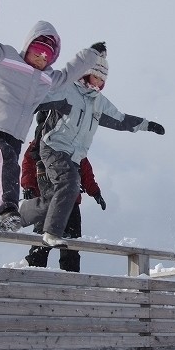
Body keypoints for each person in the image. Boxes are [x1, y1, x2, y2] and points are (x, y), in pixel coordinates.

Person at [0, 0, 104, 235]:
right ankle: (8, 214)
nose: (41, 59)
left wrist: (91, 54)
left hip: (15, 137)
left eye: (47, 56)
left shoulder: (48, 78)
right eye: (37, 51)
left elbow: (70, 73)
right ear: (28, 46)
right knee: (5, 158)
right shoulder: (5, 57)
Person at [18, 50, 165, 248]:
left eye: (101, 81)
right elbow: (41, 98)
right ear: (85, 74)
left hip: (74, 156)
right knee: (69, 184)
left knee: (58, 196)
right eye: (95, 77)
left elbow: (120, 119)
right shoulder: (68, 90)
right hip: (53, 147)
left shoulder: (99, 103)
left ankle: (21, 215)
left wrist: (148, 125)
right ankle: (51, 233)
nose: (97, 84)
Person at [20, 114, 106, 271]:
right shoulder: (38, 144)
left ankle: (71, 276)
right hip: (48, 200)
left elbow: (85, 168)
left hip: (71, 201)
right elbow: (28, 165)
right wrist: (28, 186)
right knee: (43, 238)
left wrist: (95, 192)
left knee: (71, 242)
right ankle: (34, 271)